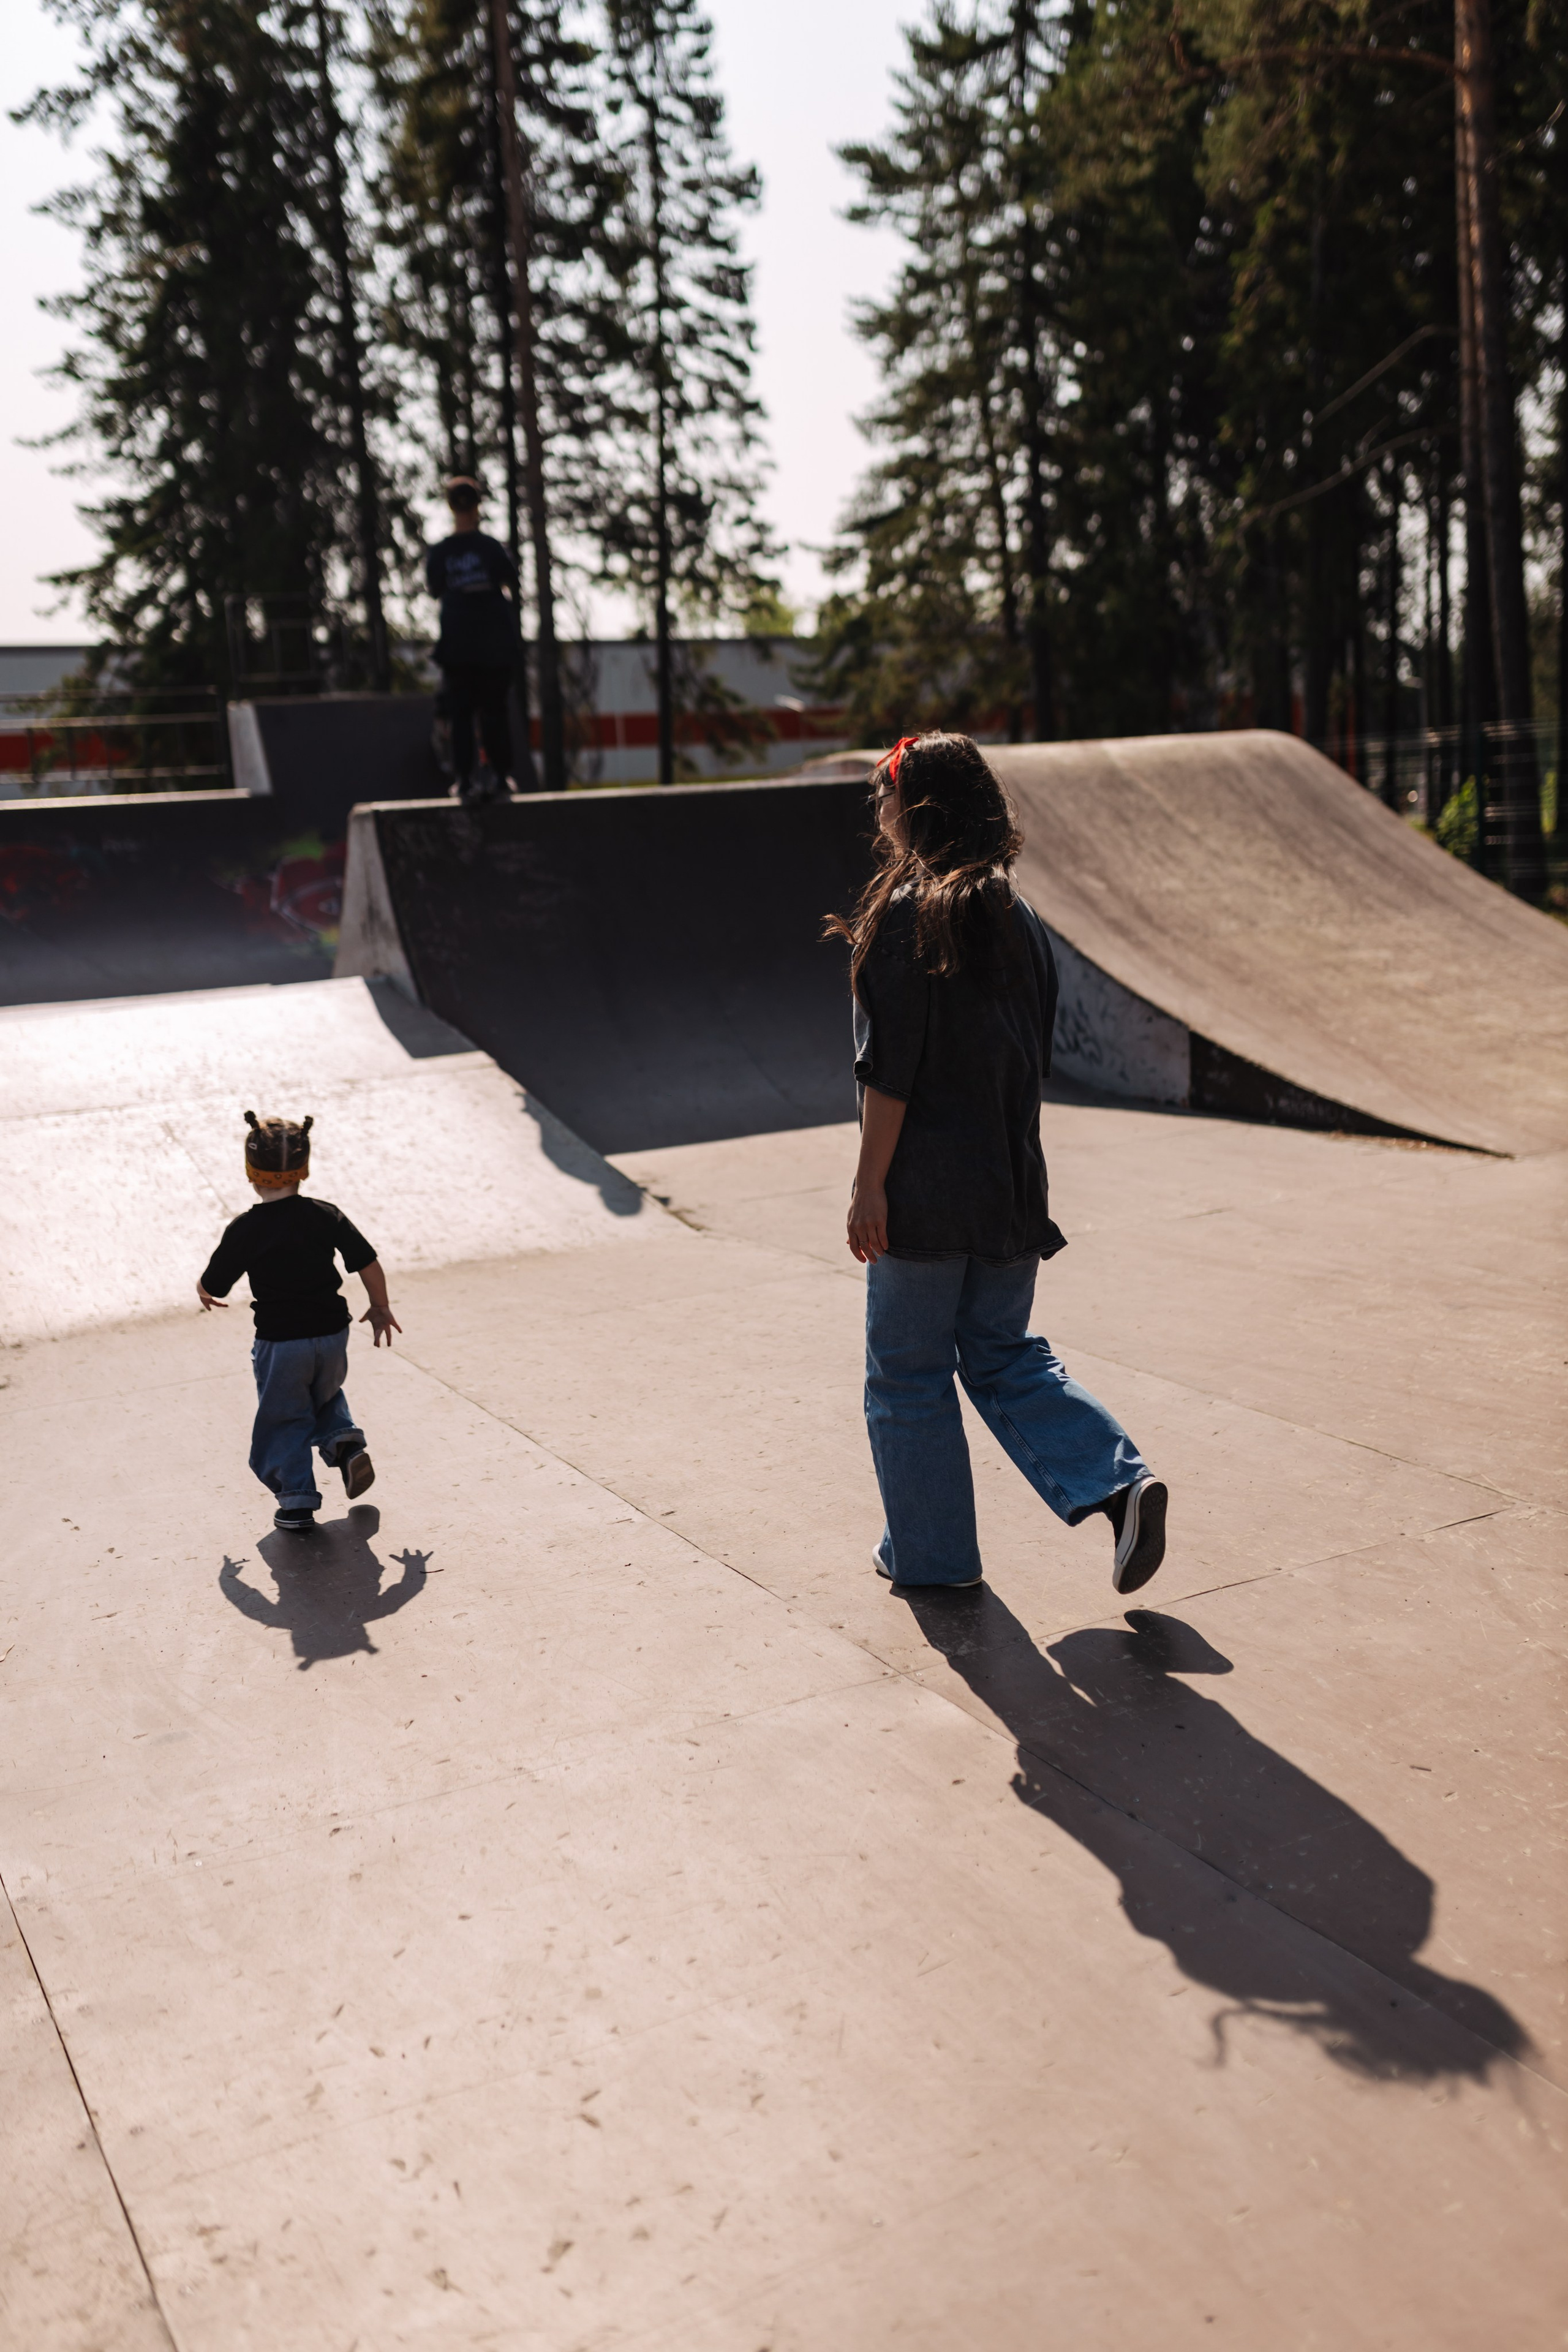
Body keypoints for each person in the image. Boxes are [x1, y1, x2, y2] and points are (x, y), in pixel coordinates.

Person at [831, 730, 1167, 1595]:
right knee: (1001, 1354)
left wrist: (870, 1184)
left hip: (926, 1198)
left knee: (907, 1373)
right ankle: (1117, 1482)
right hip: (1012, 1188)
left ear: (918, 809)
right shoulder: (1020, 920)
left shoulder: (910, 913)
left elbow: (891, 1070)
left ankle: (933, 1557)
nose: (880, 811)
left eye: (885, 795)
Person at [197, 1112, 402, 1535]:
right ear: (303, 1171)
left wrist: (203, 1288)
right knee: (323, 1395)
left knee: (284, 1416)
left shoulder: (246, 1229)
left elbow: (216, 1283)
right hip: (332, 1334)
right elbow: (366, 1262)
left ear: (251, 1173)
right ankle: (344, 1445)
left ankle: (296, 1502)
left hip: (281, 1343)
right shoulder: (325, 1215)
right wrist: (380, 1306)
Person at [424, 475, 523, 801]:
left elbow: (436, 588)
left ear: (451, 508)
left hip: (460, 645)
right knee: (491, 711)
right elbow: (511, 580)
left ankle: (468, 779)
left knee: (463, 714)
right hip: (490, 643)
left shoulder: (442, 552)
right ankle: (495, 776)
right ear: (478, 507)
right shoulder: (490, 548)